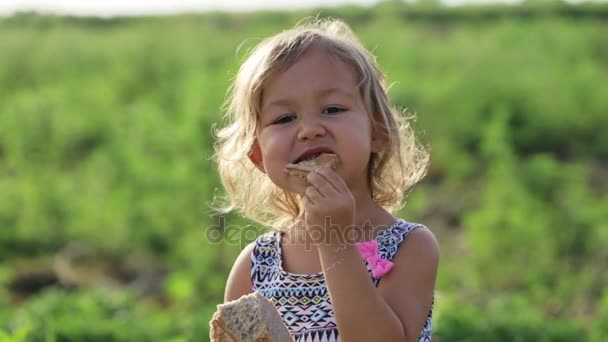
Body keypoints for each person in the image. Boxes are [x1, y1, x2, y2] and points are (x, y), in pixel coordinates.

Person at [213, 17, 438, 342]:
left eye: (332, 109)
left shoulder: (409, 247)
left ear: (378, 131)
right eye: (285, 118)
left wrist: (335, 242)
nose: (309, 130)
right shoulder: (255, 267)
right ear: (259, 157)